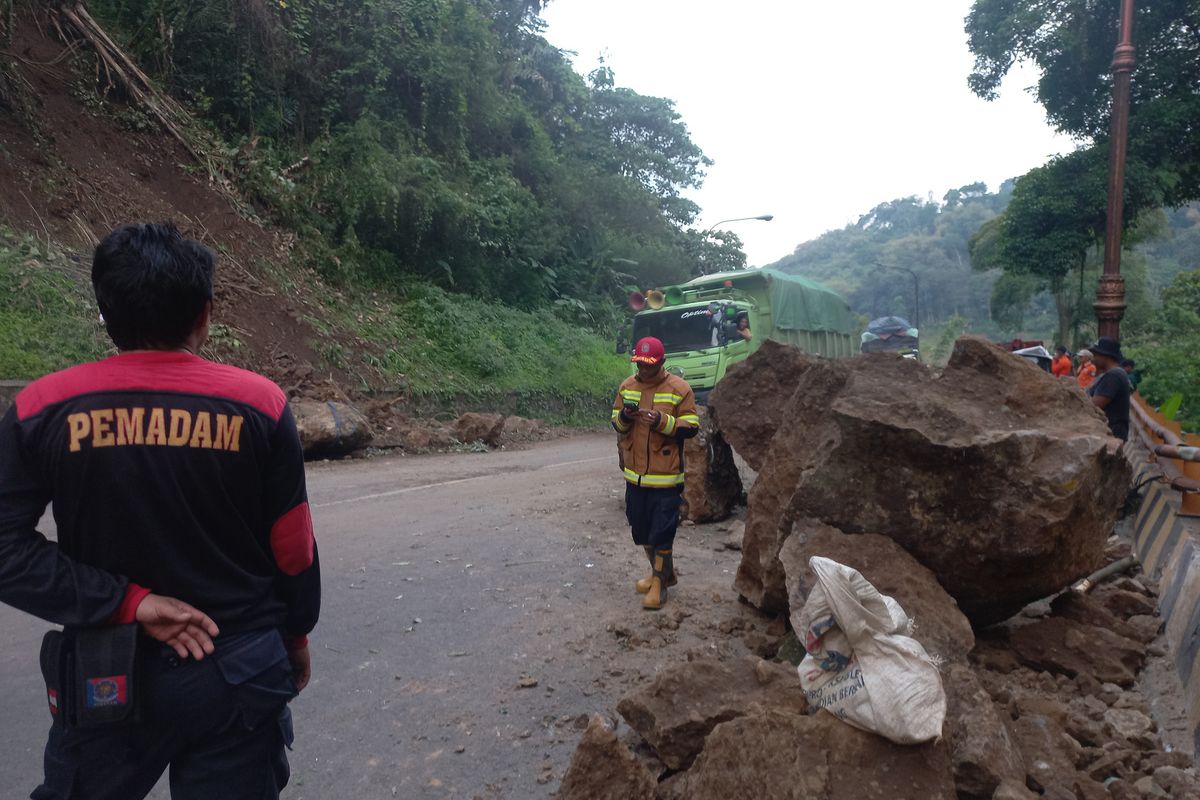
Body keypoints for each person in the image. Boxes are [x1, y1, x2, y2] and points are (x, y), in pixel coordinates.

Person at [0, 223, 320, 800]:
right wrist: (295, 637)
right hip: (238, 670)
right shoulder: (259, 405)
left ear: (105, 313)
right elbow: (293, 546)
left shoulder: (42, 408)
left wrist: (128, 602)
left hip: (106, 674)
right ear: (205, 313)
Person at [611, 337, 700, 610]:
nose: (644, 370)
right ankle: (663, 574)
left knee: (662, 532)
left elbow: (692, 426)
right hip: (635, 477)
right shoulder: (627, 386)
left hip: (666, 478)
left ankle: (660, 586)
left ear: (662, 363)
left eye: (649, 365)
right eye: (639, 364)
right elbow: (616, 422)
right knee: (640, 530)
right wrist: (626, 417)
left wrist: (662, 421)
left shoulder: (679, 388)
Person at [1087, 337, 1132, 441]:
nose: (1093, 359)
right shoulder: (1112, 374)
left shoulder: (1114, 375)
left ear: (1105, 356)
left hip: (1112, 434)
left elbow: (1094, 406)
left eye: (1096, 355)